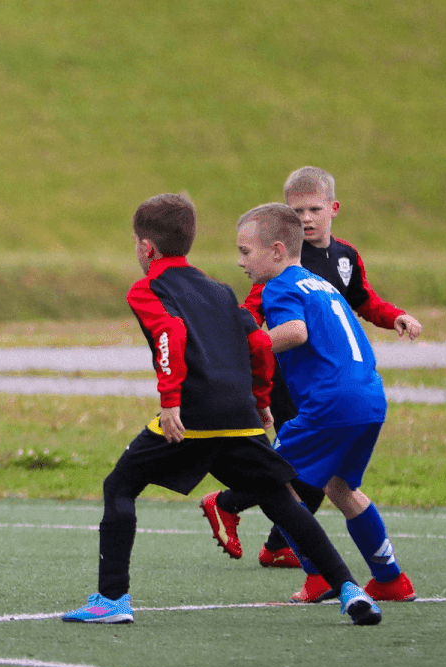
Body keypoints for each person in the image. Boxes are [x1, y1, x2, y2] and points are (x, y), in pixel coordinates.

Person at [63, 193, 380, 626]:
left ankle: (111, 599)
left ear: (145, 247)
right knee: (282, 501)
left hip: (191, 417)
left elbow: (170, 334)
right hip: (240, 419)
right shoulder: (218, 289)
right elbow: (256, 343)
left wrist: (171, 400)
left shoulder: (147, 288)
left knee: (119, 487)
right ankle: (349, 588)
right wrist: (261, 401)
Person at [201, 204, 416, 603]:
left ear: (278, 251)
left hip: (330, 404)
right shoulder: (320, 284)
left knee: (273, 482)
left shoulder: (280, 286)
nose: (240, 261)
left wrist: (245, 347)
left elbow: (296, 332)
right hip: (369, 398)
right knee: (341, 488)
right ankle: (390, 579)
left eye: (246, 252)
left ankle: (318, 576)